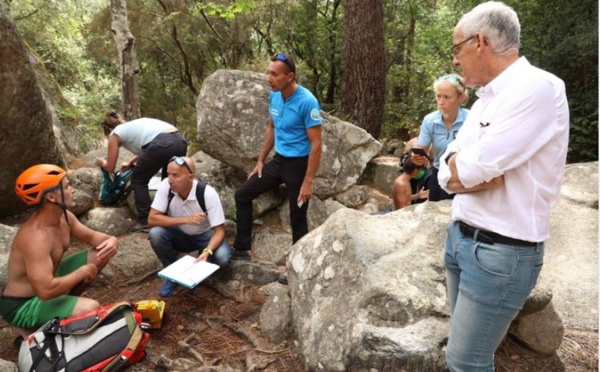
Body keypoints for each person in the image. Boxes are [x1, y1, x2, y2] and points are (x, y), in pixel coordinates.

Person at [437, 2, 569, 371]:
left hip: (501, 253)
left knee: (466, 360)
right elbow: (449, 168)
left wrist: (463, 170)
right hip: (461, 240)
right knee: (463, 356)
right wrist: (457, 170)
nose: (455, 61)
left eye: (456, 48)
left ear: (479, 42)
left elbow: (478, 167)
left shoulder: (538, 89)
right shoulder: (486, 98)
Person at [0, 164, 119, 338]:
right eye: (67, 186)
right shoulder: (35, 238)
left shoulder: (65, 218)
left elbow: (100, 240)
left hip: (50, 281)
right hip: (24, 304)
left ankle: (63, 310)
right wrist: (82, 272)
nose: (73, 190)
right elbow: (45, 291)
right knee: (91, 308)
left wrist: (113, 241)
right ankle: (39, 329)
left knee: (100, 254)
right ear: (51, 196)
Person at [232, 53, 322, 261]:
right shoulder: (274, 95)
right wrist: (261, 160)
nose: (268, 78)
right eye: (268, 73)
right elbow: (272, 127)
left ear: (289, 77)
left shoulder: (307, 102)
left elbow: (316, 143)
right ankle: (242, 249)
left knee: (297, 216)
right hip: (279, 161)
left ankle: (297, 265)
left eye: (274, 74)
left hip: (298, 166)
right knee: (242, 194)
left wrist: (308, 181)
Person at [148, 156, 232, 297]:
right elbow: (152, 218)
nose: (170, 179)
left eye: (176, 175)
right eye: (169, 174)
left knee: (223, 258)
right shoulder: (166, 186)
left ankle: (200, 266)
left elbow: (219, 230)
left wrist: (208, 251)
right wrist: (185, 220)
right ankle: (172, 275)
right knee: (156, 234)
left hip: (205, 236)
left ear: (191, 177)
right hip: (180, 235)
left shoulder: (207, 193)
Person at [95, 110, 188, 233]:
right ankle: (169, 217)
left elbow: (110, 167)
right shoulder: (131, 126)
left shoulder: (114, 134)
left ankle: (146, 221)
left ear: (108, 130)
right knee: (169, 182)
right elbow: (149, 147)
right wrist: (130, 162)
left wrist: (102, 162)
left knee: (138, 180)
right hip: (180, 141)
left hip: (162, 143)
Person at [412, 74, 469, 202]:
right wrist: (417, 159)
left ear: (461, 98)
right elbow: (423, 151)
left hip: (463, 174)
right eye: (438, 96)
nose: (441, 102)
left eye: (447, 97)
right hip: (439, 173)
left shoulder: (470, 119)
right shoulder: (430, 120)